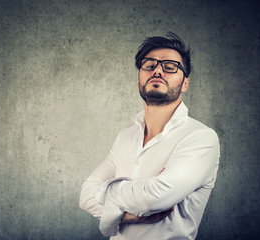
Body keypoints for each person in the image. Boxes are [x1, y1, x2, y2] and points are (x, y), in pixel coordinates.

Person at [79, 32, 220, 240]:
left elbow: (153, 200)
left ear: (185, 84)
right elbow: (85, 196)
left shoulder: (201, 138)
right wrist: (126, 216)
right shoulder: (125, 136)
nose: (158, 70)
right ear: (139, 81)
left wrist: (106, 191)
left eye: (170, 67)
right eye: (149, 65)